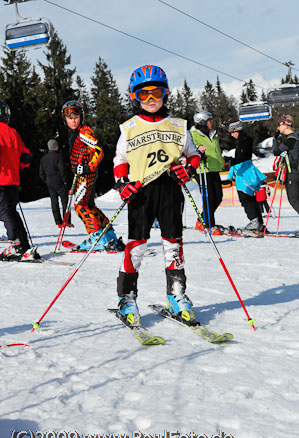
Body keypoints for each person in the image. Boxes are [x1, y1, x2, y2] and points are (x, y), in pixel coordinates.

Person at [113, 64, 202, 327]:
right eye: (144, 94)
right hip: (140, 192)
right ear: (134, 97)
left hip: (170, 190)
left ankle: (176, 295)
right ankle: (127, 298)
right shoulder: (129, 127)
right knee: (137, 245)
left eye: (157, 92)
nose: (151, 99)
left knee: (173, 245)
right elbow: (120, 159)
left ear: (166, 94)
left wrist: (189, 170)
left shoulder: (178, 125)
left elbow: (194, 155)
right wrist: (121, 184)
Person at [61, 100, 124, 252]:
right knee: (89, 206)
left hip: (86, 175)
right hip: (83, 174)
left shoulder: (84, 132)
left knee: (80, 207)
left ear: (81, 116)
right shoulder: (74, 133)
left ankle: (96, 237)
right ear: (65, 119)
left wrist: (88, 167)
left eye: (76, 116)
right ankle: (108, 235)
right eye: (69, 117)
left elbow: (98, 150)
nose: (73, 120)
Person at [0, 100, 39, 261]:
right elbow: (26, 157)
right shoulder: (13, 132)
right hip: (13, 181)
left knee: (4, 211)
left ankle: (16, 244)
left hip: (1, 178)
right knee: (11, 211)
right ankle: (23, 244)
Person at [226, 121, 266, 232]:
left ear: (237, 130)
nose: (231, 135)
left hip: (244, 172)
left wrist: (230, 160)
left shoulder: (243, 140)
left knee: (245, 198)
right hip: (247, 171)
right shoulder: (244, 139)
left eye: (232, 132)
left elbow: (242, 157)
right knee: (251, 197)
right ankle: (259, 222)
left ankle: (254, 221)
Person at [190, 111, 224, 235]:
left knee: (218, 197)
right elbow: (190, 148)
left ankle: (202, 220)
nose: (211, 123)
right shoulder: (193, 134)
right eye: (209, 121)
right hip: (202, 169)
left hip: (214, 167)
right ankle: (210, 225)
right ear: (202, 122)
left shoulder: (212, 134)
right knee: (209, 197)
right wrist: (198, 150)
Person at [39, 139, 72, 228]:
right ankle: (66, 220)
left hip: (50, 183)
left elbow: (41, 173)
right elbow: (62, 170)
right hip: (60, 182)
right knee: (65, 202)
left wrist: (46, 181)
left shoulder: (43, 159)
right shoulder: (58, 157)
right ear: (55, 146)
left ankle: (58, 222)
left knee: (54, 202)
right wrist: (65, 180)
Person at [272, 116, 299, 215]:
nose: (278, 128)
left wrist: (274, 139)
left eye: (279, 125)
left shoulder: (291, 139)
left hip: (294, 173)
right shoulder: (296, 135)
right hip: (296, 171)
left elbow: (276, 151)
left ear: (286, 125)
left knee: (294, 199)